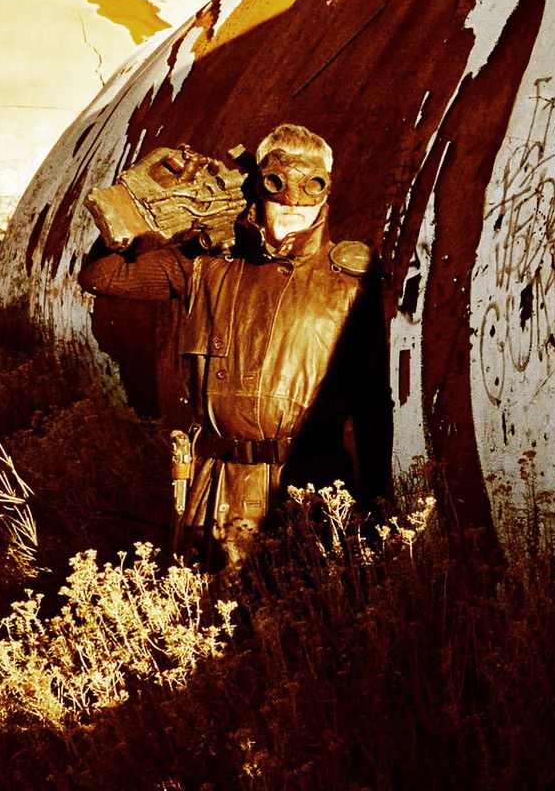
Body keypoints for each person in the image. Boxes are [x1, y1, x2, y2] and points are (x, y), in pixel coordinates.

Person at [80, 123, 383, 567]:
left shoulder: (348, 279)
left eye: (312, 185)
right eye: (278, 184)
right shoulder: (206, 265)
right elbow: (102, 276)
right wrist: (127, 207)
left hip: (311, 485)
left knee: (303, 602)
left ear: (326, 191)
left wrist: (376, 503)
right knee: (209, 601)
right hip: (215, 487)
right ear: (257, 185)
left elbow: (373, 403)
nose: (294, 202)